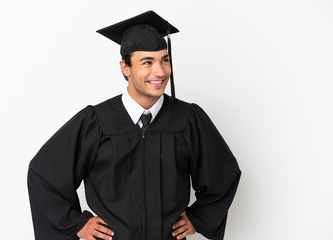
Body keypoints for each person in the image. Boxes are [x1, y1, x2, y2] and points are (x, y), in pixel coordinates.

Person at [27, 10, 241, 240]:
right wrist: (76, 223)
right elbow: (44, 174)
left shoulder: (188, 119)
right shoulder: (96, 121)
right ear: (125, 68)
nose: (159, 71)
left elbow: (223, 175)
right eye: (147, 62)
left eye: (164, 60)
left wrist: (199, 218)